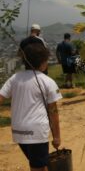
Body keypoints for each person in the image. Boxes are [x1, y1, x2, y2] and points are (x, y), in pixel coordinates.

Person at [0, 42, 62, 171]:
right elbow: (53, 111)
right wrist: (56, 136)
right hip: (36, 132)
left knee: (38, 164)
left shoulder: (14, 78)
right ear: (43, 62)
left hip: (18, 131)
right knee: (37, 167)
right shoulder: (48, 81)